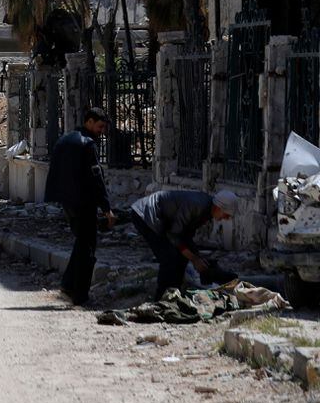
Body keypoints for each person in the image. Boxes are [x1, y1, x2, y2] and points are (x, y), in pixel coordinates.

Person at [44, 105, 115, 305]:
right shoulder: (88, 144)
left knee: (81, 243)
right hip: (84, 202)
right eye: (100, 126)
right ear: (89, 122)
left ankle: (68, 284)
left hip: (67, 202)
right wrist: (106, 208)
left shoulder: (64, 140)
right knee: (88, 248)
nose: (101, 131)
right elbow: (96, 176)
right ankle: (80, 295)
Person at [129, 189, 237, 298]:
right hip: (145, 214)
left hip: (163, 221)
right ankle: (162, 299)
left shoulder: (206, 211)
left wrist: (198, 258)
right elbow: (174, 235)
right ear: (218, 208)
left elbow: (186, 236)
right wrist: (194, 259)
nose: (226, 219)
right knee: (169, 257)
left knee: (182, 256)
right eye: (226, 215)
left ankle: (175, 292)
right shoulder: (197, 206)